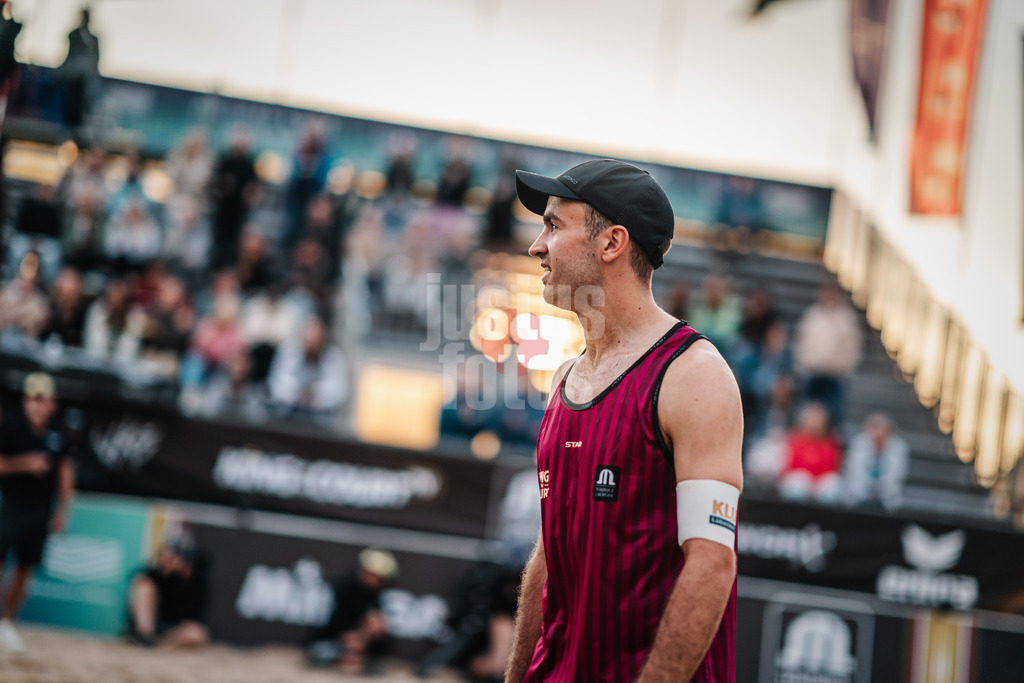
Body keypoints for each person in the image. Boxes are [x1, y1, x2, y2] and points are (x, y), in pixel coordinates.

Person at [506, 159, 742, 682]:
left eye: (553, 225)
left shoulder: (694, 374)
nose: (537, 246)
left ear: (611, 242)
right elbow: (549, 556)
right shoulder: (565, 378)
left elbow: (711, 562)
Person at [0, 373, 75, 652]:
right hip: (10, 503)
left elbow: (65, 470)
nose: (37, 404)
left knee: (25, 567)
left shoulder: (58, 431)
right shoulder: (10, 426)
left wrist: (63, 510)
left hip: (41, 508)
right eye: (32, 398)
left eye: (42, 399)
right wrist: (25, 463)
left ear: (52, 402)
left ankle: (7, 624)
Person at [307, 548, 398, 674]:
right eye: (372, 574)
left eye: (379, 577)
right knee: (321, 651)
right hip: (332, 641)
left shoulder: (378, 596)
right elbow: (329, 622)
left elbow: (377, 628)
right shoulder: (341, 588)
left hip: (361, 645)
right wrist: (347, 638)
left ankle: (357, 661)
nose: (374, 579)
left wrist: (363, 637)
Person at [128, 530, 209, 649]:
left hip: (174, 628)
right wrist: (163, 571)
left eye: (177, 554)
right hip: (153, 622)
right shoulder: (155, 574)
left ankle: (155, 644)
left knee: (197, 633)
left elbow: (195, 616)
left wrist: (184, 574)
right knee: (144, 585)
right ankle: (144, 636)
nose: (172, 558)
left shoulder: (196, 580)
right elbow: (136, 578)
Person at [843, 413, 909, 510]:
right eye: (874, 427)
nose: (878, 432)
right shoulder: (858, 443)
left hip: (887, 498)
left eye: (881, 428)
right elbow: (854, 473)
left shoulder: (899, 447)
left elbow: (896, 477)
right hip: (859, 495)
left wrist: (878, 491)